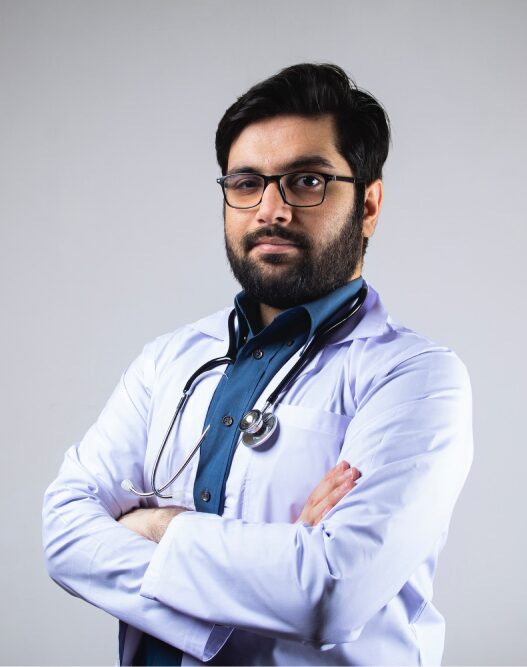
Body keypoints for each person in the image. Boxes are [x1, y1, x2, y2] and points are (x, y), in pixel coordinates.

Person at [42, 63, 473, 666]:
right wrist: (282, 556)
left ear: (369, 204)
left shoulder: (415, 378)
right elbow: (64, 535)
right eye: (247, 183)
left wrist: (157, 526)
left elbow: (330, 595)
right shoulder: (168, 360)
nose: (271, 209)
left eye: (306, 181)